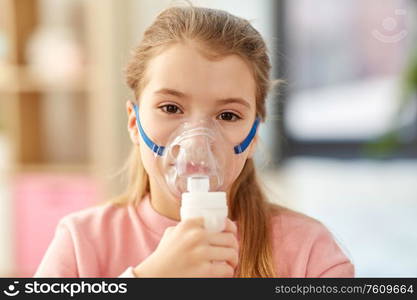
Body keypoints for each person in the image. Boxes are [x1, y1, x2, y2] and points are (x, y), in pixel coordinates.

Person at [34, 5, 354, 278]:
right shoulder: (81, 244)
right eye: (171, 108)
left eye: (228, 115)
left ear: (253, 135)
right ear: (134, 123)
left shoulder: (310, 254)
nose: (198, 141)